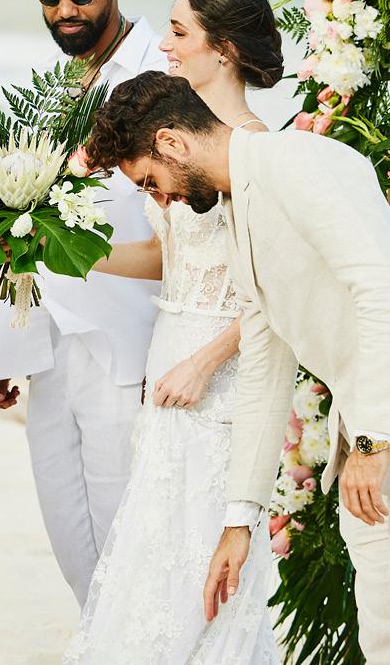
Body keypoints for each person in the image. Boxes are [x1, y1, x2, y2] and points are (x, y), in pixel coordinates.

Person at [87, 68, 390, 663]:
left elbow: (381, 288)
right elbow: (265, 363)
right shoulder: (243, 204)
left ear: (172, 143)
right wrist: (240, 520)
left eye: (151, 182)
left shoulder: (298, 164)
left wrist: (376, 441)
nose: (162, 200)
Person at [63, 0, 283, 661]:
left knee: (210, 561)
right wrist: (70, 251)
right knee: (156, 552)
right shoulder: (177, 141)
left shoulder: (258, 152)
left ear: (223, 50)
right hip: (169, 363)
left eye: (179, 31)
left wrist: (206, 361)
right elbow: (173, 257)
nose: (163, 43)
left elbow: (276, 290)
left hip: (222, 375)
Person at [0, 0, 165, 607]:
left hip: (124, 347)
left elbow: (185, 229)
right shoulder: (59, 81)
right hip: (47, 343)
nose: (64, 9)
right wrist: (9, 339)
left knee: (125, 538)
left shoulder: (160, 71)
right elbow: (28, 223)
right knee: (69, 535)